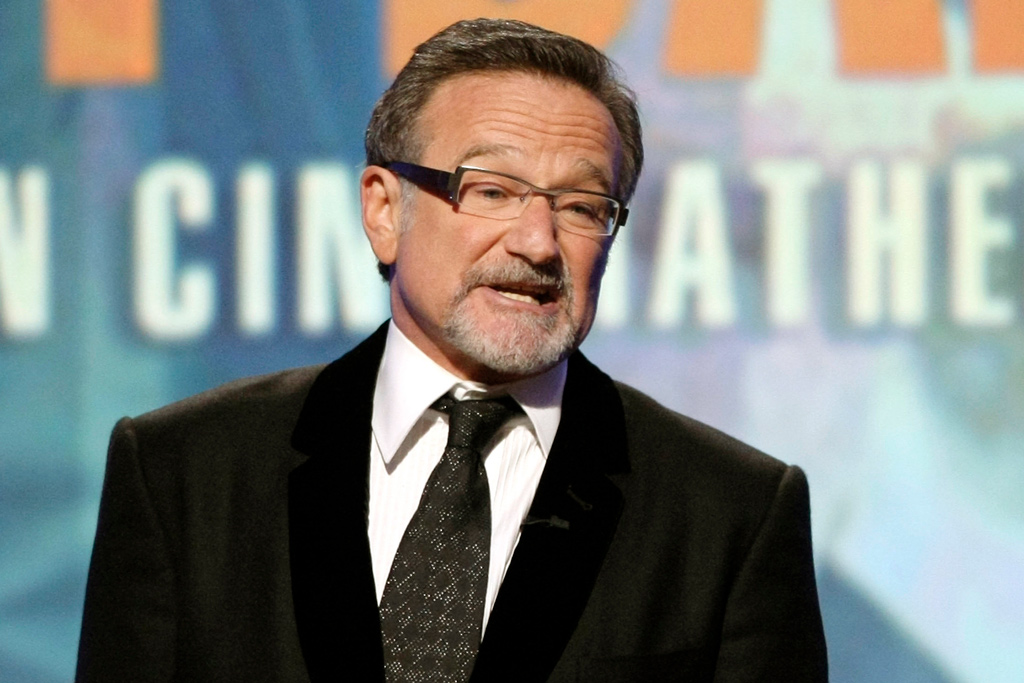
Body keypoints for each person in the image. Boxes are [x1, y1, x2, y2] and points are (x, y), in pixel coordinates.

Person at [76, 18, 827, 683]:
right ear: (383, 211)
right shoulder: (183, 472)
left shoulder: (731, 514)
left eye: (581, 206)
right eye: (491, 190)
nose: (538, 243)